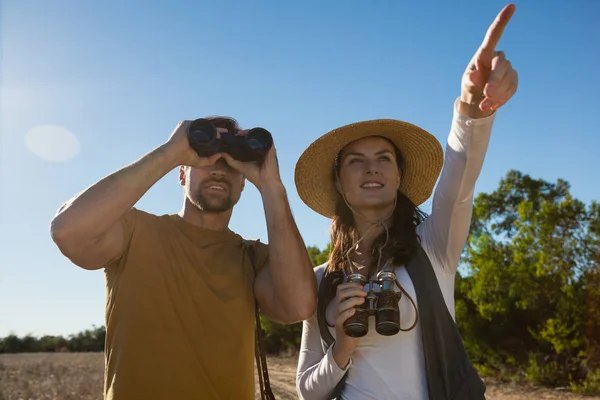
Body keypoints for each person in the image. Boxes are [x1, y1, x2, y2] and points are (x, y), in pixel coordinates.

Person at [294, 4, 518, 400]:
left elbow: (460, 179)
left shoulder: (433, 245)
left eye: (384, 159)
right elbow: (306, 391)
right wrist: (342, 349)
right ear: (339, 183)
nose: (372, 169)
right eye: (356, 162)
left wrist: (471, 106)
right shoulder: (320, 279)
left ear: (398, 177)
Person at [49, 116, 317, 399]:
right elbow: (68, 232)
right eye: (205, 158)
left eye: (230, 164)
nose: (218, 170)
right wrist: (169, 152)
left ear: (243, 184)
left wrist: (271, 186)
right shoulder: (134, 232)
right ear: (181, 174)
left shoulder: (252, 257)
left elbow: (297, 306)